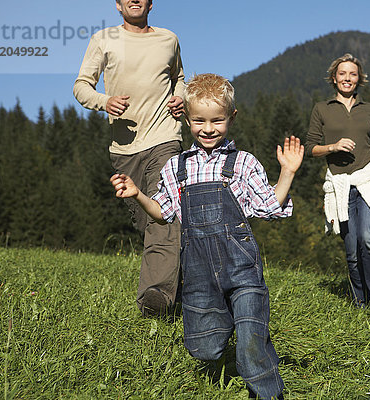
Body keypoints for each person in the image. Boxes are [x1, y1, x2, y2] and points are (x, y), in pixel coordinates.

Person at [111, 74, 302, 399]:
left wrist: (288, 172)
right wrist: (138, 194)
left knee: (251, 341)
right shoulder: (176, 167)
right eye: (199, 120)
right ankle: (225, 321)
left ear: (232, 117)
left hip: (242, 272)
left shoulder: (242, 163)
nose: (208, 128)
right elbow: (163, 213)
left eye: (217, 120)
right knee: (204, 349)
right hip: (199, 277)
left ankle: (269, 392)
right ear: (186, 118)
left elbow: (270, 207)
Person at [73, 0, 185, 317]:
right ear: (118, 4)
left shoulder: (168, 39)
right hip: (124, 148)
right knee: (146, 221)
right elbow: (81, 85)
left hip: (165, 137)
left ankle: (157, 299)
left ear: (151, 3)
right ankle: (184, 279)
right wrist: (104, 101)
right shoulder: (103, 39)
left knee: (165, 216)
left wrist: (182, 97)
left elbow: (179, 78)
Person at [305, 53, 370, 315]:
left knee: (368, 239)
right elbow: (311, 147)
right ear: (334, 78)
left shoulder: (369, 109)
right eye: (342, 74)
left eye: (352, 74)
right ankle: (360, 302)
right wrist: (333, 146)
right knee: (352, 249)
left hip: (367, 179)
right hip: (339, 185)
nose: (347, 78)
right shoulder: (322, 109)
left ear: (359, 79)